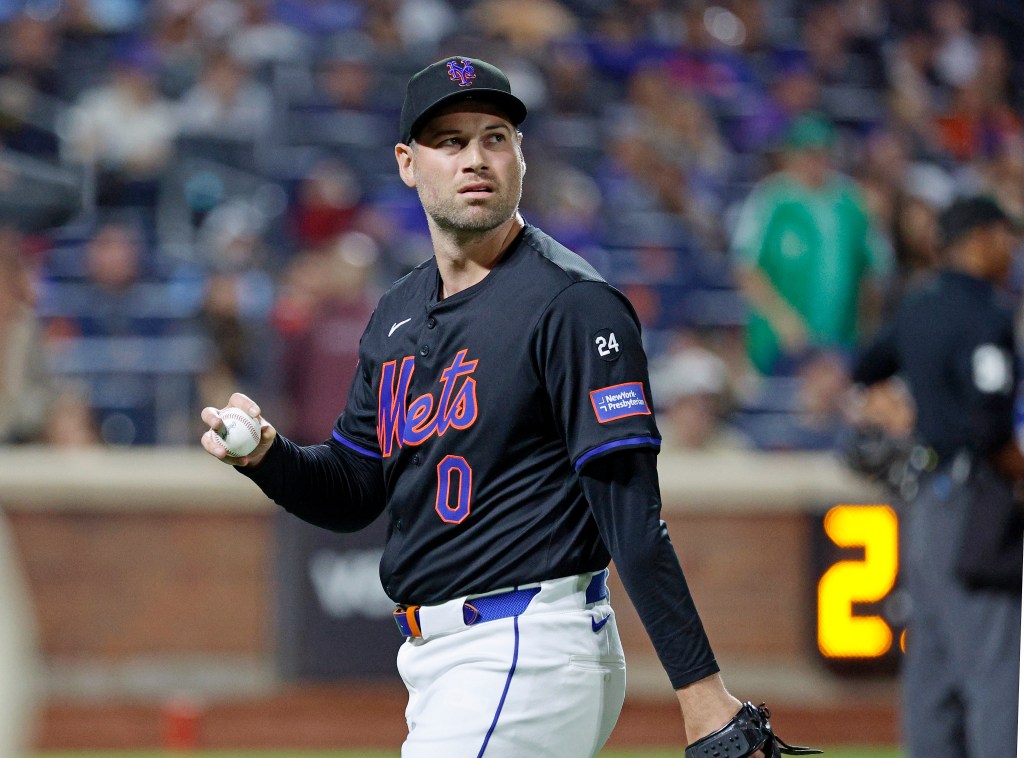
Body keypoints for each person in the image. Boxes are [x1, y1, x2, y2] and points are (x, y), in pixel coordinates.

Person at [201, 56, 811, 757]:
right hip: (441, 664)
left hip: (529, 643)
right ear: (408, 163)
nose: (476, 158)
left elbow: (632, 515)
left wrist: (701, 695)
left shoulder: (572, 304)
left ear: (521, 157)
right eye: (450, 141)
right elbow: (354, 488)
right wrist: (267, 458)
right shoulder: (396, 313)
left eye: (495, 137)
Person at [850, 196, 1022, 757]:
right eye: (1003, 235)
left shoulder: (917, 306)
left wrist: (909, 409)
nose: (1010, 248)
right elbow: (991, 427)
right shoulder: (985, 314)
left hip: (923, 496)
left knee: (932, 665)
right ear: (978, 238)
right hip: (972, 497)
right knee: (995, 667)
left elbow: (865, 367)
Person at [731, 112, 891, 376]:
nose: (815, 161)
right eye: (807, 153)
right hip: (778, 343)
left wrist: (866, 332)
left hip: (840, 343)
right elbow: (745, 268)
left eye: (821, 153)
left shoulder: (851, 203)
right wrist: (782, 319)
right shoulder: (771, 199)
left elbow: (873, 273)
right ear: (790, 155)